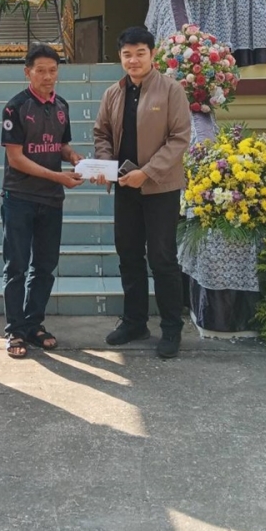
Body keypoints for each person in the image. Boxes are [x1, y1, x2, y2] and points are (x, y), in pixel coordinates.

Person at [93, 26, 191, 358]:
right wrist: (106, 165)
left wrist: (146, 173)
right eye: (127, 54)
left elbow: (179, 138)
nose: (133, 60)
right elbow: (102, 133)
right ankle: (135, 322)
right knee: (129, 254)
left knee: (163, 258)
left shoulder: (171, 90)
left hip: (160, 187)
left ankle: (171, 329)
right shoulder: (113, 93)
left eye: (140, 53)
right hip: (125, 186)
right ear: (120, 57)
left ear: (152, 54)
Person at [0, 44, 84, 358]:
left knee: (45, 266)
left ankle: (34, 324)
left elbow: (61, 145)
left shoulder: (62, 105)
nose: (48, 76)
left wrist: (73, 157)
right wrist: (58, 177)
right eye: (41, 71)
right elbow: (16, 158)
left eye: (53, 70)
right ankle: (15, 330)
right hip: (19, 198)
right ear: (28, 72)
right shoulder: (15, 107)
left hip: (51, 200)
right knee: (17, 267)